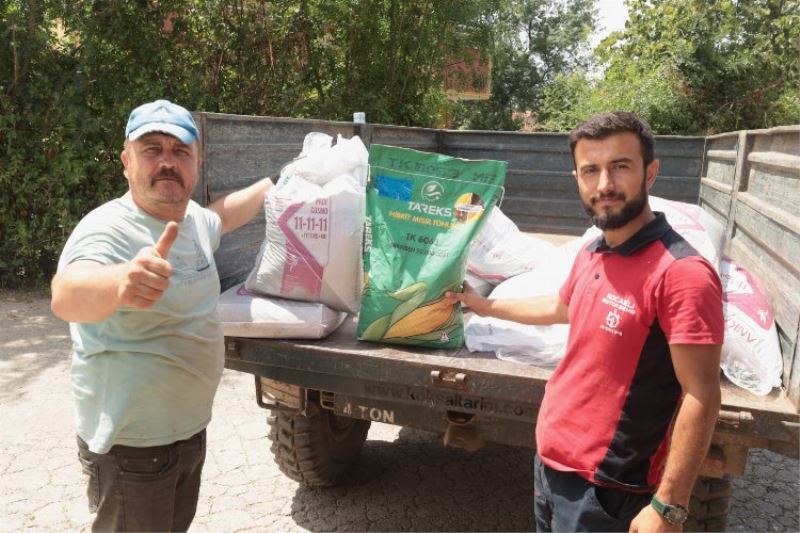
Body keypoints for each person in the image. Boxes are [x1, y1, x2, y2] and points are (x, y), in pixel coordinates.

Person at [447, 111, 724, 532]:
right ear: (576, 177)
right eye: (590, 170)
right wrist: (483, 307)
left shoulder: (682, 273)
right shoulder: (594, 251)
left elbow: (701, 393)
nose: (604, 185)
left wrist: (669, 506)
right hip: (551, 461)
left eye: (620, 166)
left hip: (610, 488)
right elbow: (561, 309)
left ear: (650, 173)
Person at [50, 99, 274, 532]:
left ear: (196, 162)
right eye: (153, 149)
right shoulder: (108, 229)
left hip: (186, 434)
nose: (167, 162)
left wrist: (275, 183)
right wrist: (120, 282)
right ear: (126, 161)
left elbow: (222, 215)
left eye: (180, 152)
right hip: (132, 449)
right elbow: (66, 294)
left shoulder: (190, 221)